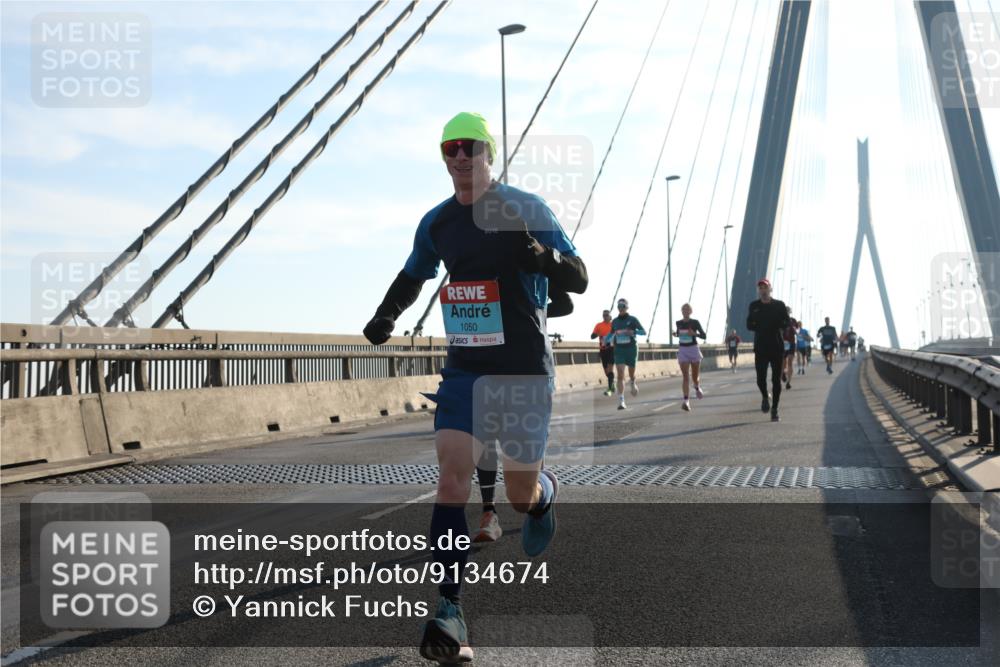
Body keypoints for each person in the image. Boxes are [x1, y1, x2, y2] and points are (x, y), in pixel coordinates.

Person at [363, 112, 588, 664]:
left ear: (489, 152)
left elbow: (579, 277)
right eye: (450, 149)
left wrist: (542, 256)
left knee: (517, 496)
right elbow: (414, 274)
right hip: (465, 370)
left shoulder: (527, 208)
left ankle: (544, 498)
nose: (460, 157)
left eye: (469, 147)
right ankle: (449, 609)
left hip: (524, 371)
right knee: (451, 479)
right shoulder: (438, 223)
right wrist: (384, 317)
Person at [746, 278, 789, 422]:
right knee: (760, 379)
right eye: (760, 288)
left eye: (765, 287)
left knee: (776, 380)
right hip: (761, 347)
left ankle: (775, 409)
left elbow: (787, 322)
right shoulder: (754, 306)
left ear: (770, 288)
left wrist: (777, 325)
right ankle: (765, 396)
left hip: (776, 346)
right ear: (758, 290)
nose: (763, 290)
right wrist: (760, 326)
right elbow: (749, 324)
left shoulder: (779, 305)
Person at [609, 298, 645, 410]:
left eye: (623, 306)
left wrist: (634, 332)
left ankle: (633, 381)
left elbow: (643, 332)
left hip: (631, 349)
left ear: (627, 307)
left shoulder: (633, 319)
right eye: (619, 306)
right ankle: (621, 400)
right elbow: (610, 335)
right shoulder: (614, 321)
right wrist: (606, 340)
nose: (621, 308)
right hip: (619, 349)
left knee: (631, 372)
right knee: (620, 373)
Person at [674, 303, 707, 411]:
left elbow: (704, 335)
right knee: (685, 376)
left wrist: (694, 334)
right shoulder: (678, 323)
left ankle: (697, 387)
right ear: (681, 311)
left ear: (690, 311)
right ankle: (686, 401)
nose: (685, 311)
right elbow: (679, 334)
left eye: (687, 309)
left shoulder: (695, 322)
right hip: (683, 349)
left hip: (693, 349)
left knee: (695, 376)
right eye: (683, 309)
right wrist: (675, 334)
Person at [591, 310, 615, 396]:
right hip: (603, 350)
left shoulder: (614, 325)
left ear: (610, 317)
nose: (605, 317)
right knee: (606, 372)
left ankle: (609, 389)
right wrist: (596, 334)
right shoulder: (599, 325)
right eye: (604, 315)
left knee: (610, 368)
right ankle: (612, 384)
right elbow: (592, 336)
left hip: (612, 350)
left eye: (607, 315)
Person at [781, 310, 797, 390]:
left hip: (791, 344)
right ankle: (783, 373)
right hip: (783, 344)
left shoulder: (793, 321)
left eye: (788, 312)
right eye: (785, 311)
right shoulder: (779, 320)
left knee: (790, 362)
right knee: (783, 363)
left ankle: (788, 382)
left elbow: (796, 330)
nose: (787, 313)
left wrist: (793, 328)